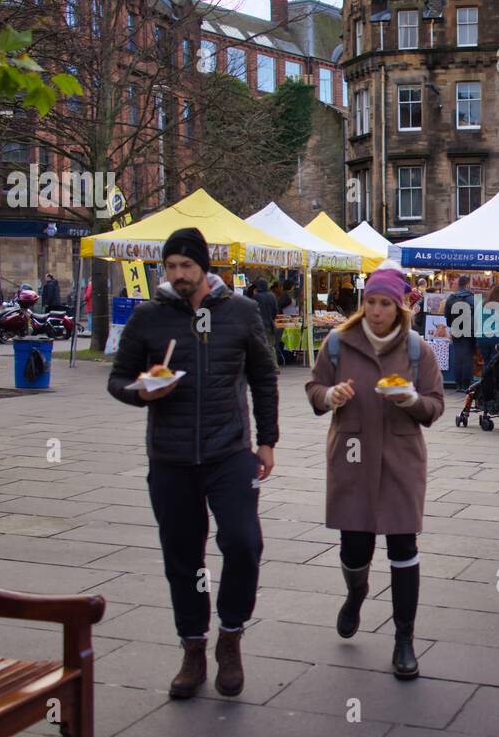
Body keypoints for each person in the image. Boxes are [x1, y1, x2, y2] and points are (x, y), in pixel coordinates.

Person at [107, 227, 279, 698]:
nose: (179, 275)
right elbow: (118, 380)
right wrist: (143, 391)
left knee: (244, 544)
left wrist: (267, 442)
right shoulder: (148, 317)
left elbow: (264, 378)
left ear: (204, 267)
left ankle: (230, 636)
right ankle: (193, 648)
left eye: (187, 266)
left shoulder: (240, 312)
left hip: (230, 453)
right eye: (171, 267)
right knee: (182, 557)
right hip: (171, 456)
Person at [305, 261, 444, 679]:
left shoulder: (418, 349)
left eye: (385, 303)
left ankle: (404, 639)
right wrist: (330, 395)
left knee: (403, 549)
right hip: (352, 456)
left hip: (401, 461)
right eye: (371, 302)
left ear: (400, 307)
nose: (377, 310)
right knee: (355, 549)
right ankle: (356, 592)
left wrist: (410, 401)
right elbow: (313, 389)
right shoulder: (337, 342)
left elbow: (435, 406)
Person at [445, 275, 478, 392]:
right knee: (468, 357)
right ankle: (466, 384)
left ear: (459, 285)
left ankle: (458, 384)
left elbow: (447, 316)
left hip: (456, 331)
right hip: (470, 331)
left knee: (458, 357)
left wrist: (452, 325)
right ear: (467, 284)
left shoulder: (451, 298)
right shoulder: (473, 298)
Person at [251, 278, 282, 368]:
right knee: (271, 345)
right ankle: (274, 365)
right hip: (270, 324)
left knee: (260, 345)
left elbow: (253, 310)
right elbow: (276, 311)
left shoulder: (257, 297)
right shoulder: (272, 296)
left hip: (259, 324)